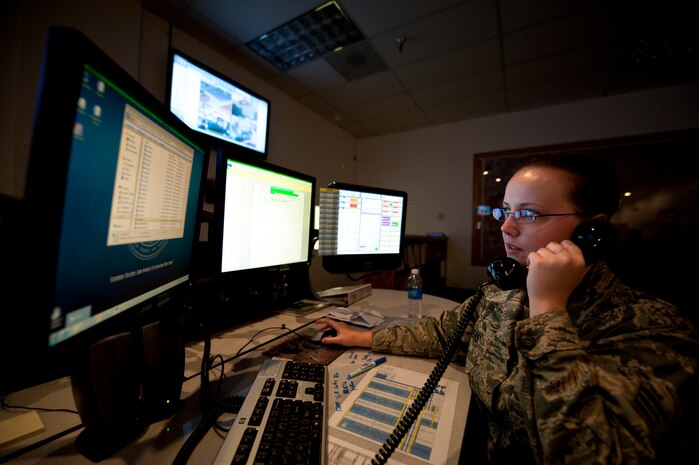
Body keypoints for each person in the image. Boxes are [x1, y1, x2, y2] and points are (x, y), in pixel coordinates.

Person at [314, 154, 699, 465]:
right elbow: (445, 332)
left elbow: (593, 452)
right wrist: (363, 337)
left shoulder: (655, 329)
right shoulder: (504, 293)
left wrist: (549, 310)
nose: (506, 228)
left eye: (528, 214)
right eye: (504, 211)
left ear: (591, 231)